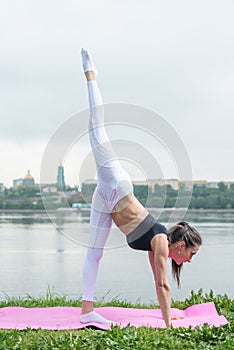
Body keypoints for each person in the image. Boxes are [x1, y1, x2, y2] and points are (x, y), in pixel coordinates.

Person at [79, 49, 202, 328]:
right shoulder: (160, 240)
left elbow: (159, 283)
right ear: (181, 245)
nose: (189, 260)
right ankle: (91, 75)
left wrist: (166, 313)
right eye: (191, 254)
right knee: (96, 130)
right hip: (117, 186)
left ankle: (87, 311)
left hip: (106, 201)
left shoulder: (156, 244)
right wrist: (169, 326)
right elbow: (163, 284)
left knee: (94, 252)